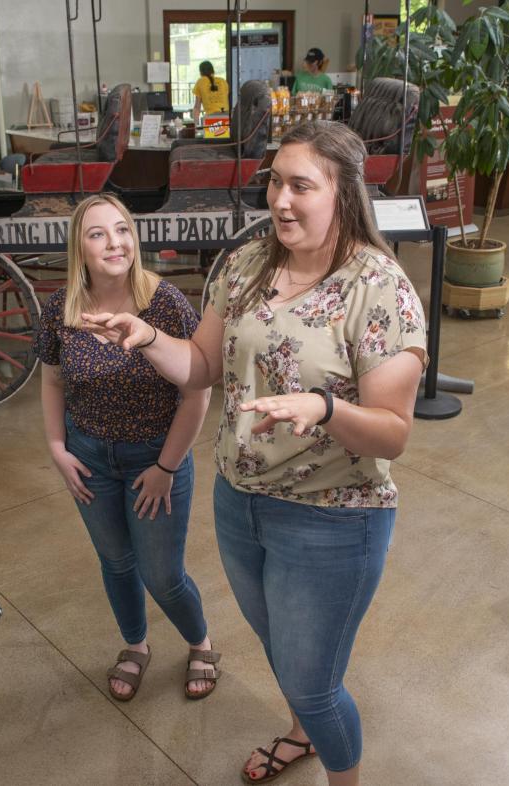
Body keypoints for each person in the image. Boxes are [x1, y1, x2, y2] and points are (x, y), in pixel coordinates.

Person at [83, 120, 427, 785]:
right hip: (240, 504)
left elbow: (394, 433)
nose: (281, 200)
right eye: (276, 181)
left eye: (302, 186)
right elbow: (205, 364)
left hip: (332, 516)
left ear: (343, 193)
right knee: (280, 647)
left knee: (315, 681)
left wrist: (324, 408)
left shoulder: (377, 287)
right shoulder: (243, 265)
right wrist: (146, 336)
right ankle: (300, 735)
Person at [35, 193, 220, 703]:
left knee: (162, 574)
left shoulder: (166, 304)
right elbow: (52, 383)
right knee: (115, 562)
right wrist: (57, 445)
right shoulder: (61, 309)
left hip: (154, 458)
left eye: (122, 230)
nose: (115, 243)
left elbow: (197, 393)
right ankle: (135, 646)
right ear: (80, 247)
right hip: (89, 457)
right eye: (98, 234)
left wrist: (167, 466)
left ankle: (200, 643)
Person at [192, 60, 229, 124]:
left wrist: (195, 125)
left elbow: (197, 107)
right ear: (213, 70)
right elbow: (226, 100)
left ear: (201, 72)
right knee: (224, 134)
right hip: (226, 117)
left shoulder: (200, 82)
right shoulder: (223, 81)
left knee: (209, 133)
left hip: (211, 118)